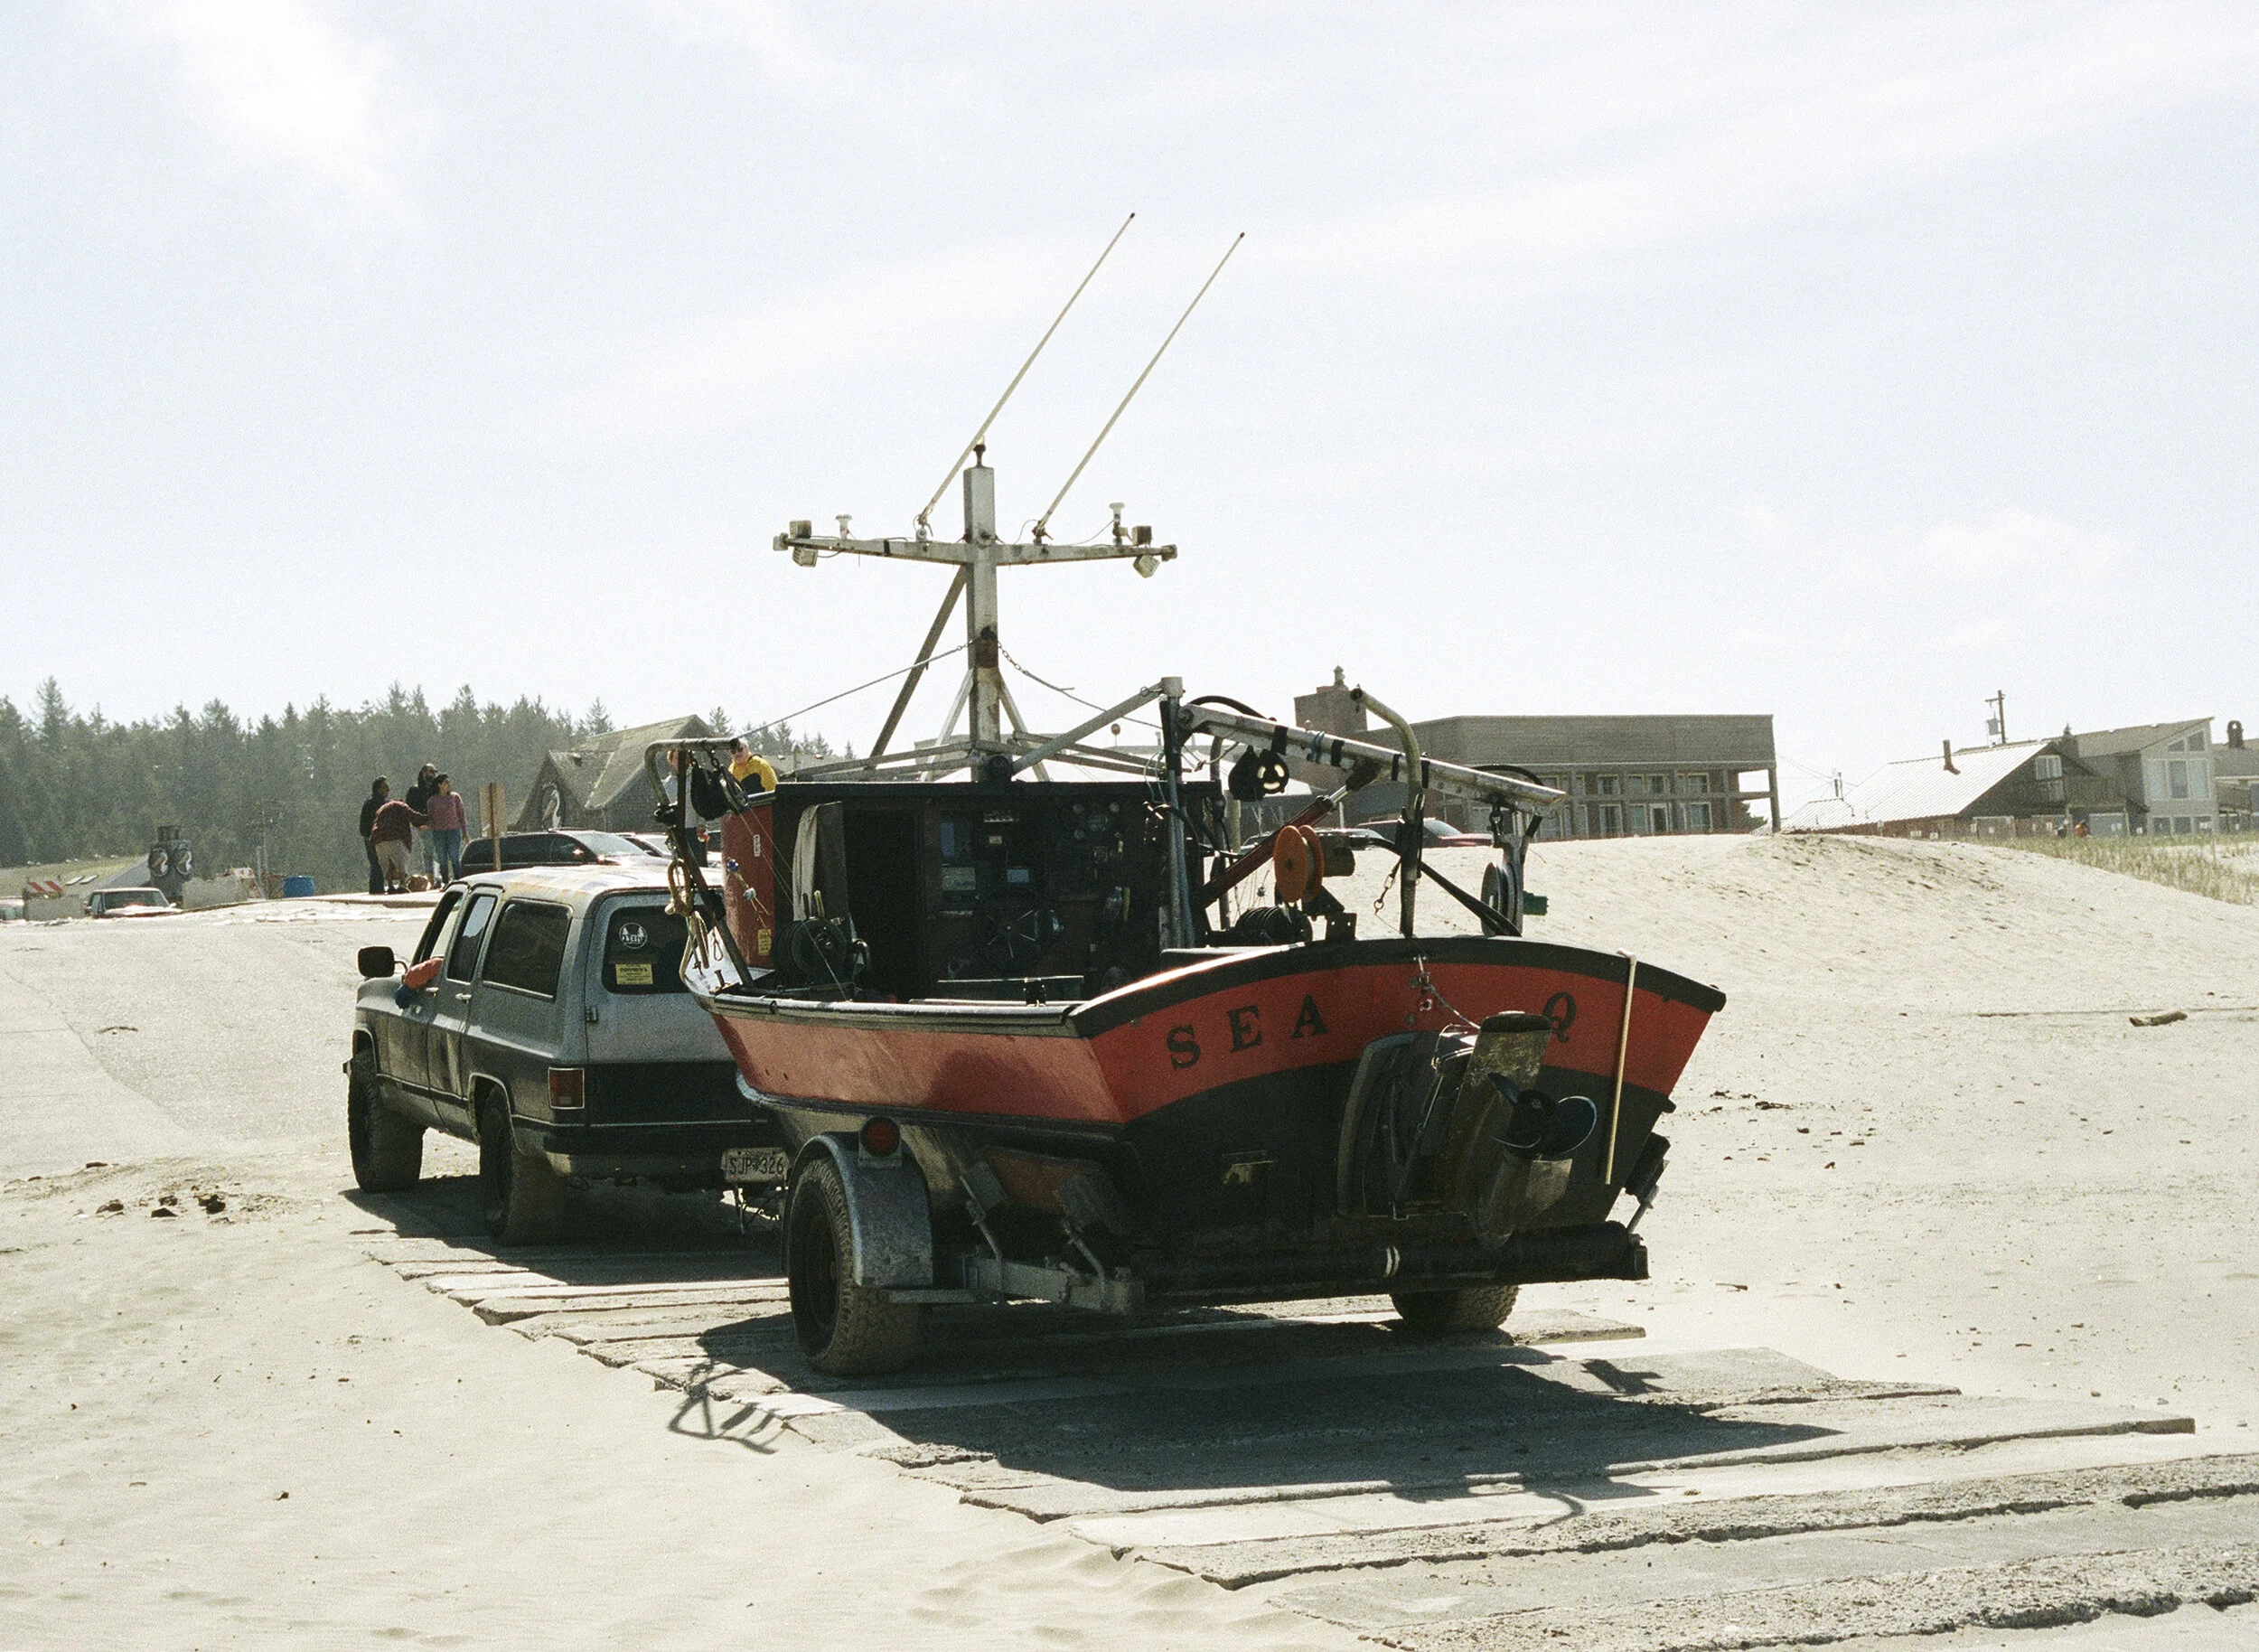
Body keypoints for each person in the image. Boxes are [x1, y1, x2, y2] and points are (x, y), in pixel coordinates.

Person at [368, 793, 429, 894]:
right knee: (401, 862)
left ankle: (390, 886)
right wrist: (428, 819)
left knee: (386, 864)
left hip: (378, 838)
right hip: (395, 836)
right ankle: (402, 885)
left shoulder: (381, 809)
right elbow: (413, 816)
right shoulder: (400, 806)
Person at [426, 774, 467, 884]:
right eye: (446, 783)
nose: (449, 785)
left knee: (455, 857)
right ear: (439, 785)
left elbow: (461, 815)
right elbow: (430, 817)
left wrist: (465, 833)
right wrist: (431, 827)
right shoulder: (432, 800)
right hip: (439, 833)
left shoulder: (455, 797)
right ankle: (445, 881)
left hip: (454, 831)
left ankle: (458, 880)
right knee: (442, 858)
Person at [404, 763, 440, 882]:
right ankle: (431, 879)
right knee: (428, 852)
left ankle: (439, 876)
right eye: (430, 772)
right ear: (423, 772)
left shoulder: (437, 790)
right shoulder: (415, 790)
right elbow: (409, 809)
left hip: (440, 825)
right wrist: (418, 824)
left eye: (434, 772)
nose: (432, 775)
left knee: (441, 852)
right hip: (424, 826)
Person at [358, 779, 391, 895]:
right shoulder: (374, 802)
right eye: (385, 787)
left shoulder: (377, 801)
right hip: (373, 837)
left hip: (373, 836)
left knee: (377, 862)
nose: (388, 789)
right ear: (378, 789)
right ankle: (376, 889)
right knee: (377, 862)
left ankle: (377, 888)